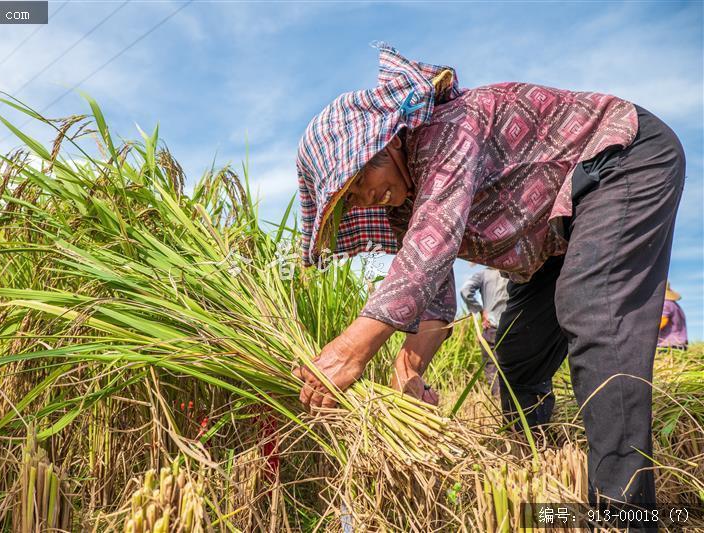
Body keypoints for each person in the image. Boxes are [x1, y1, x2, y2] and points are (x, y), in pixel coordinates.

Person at [292, 42, 685, 515]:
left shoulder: (447, 129)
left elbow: (429, 249)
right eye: (349, 199)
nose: (363, 198)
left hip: (620, 160)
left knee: (594, 309)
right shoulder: (404, 207)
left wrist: (349, 351)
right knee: (517, 354)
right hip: (553, 234)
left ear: (389, 141)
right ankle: (540, 469)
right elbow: (433, 300)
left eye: (359, 180)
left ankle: (624, 512)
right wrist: (410, 371)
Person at [460, 266, 508, 396]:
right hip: (512, 327)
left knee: (492, 366)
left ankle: (498, 398)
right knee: (512, 366)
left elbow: (465, 290)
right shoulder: (513, 274)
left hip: (491, 327)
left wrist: (480, 310)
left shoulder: (484, 274)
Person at [657, 282, 688, 350]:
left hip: (669, 344)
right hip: (680, 343)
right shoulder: (674, 304)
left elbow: (663, 321)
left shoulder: (665, 303)